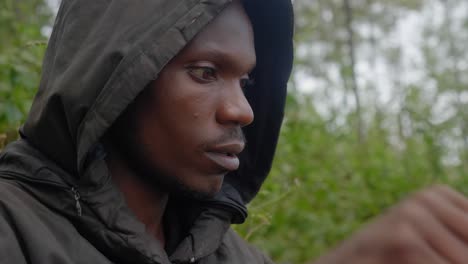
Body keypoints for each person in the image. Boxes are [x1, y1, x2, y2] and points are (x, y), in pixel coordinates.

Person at [2, 1, 468, 264]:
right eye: (206, 72)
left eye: (246, 81)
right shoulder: (13, 229)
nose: (242, 110)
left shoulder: (238, 258)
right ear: (112, 80)